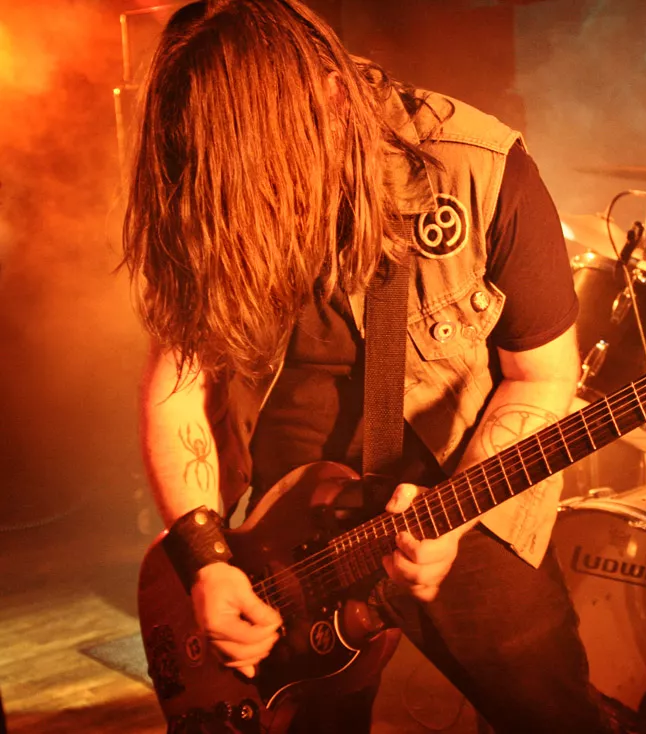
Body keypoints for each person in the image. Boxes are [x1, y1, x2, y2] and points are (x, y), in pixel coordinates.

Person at [122, 1, 608, 731]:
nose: (263, 201)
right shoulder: (204, 182)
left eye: (271, 170)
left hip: (460, 491)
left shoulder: (478, 168)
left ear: (333, 98)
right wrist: (208, 560)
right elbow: (178, 386)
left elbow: (541, 376)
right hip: (284, 524)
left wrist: (456, 518)